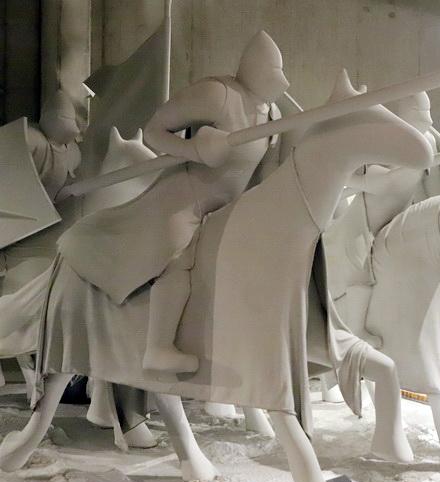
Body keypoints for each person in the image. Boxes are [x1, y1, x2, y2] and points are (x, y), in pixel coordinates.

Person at [57, 30, 290, 374]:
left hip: (226, 209)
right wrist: (193, 149)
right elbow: (154, 131)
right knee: (178, 256)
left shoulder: (273, 115)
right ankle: (158, 347)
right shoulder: (219, 94)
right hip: (185, 200)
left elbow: (265, 173)